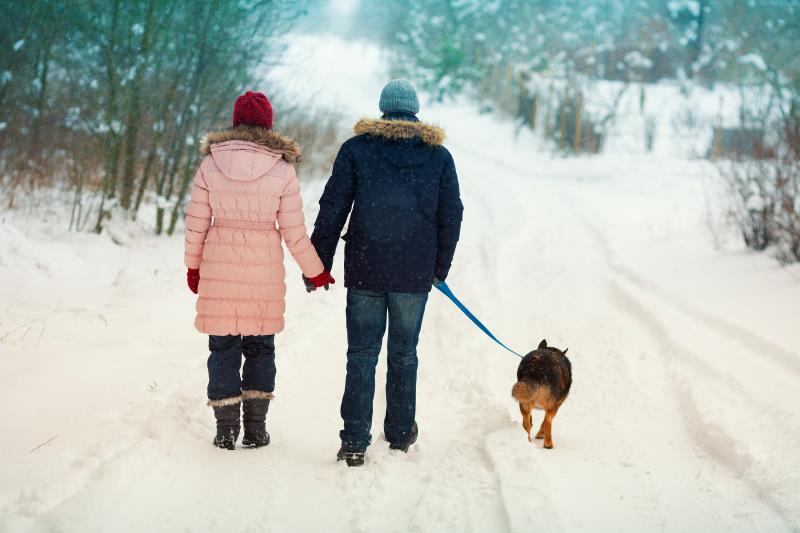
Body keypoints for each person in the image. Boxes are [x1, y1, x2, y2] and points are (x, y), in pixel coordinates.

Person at [309, 79, 464, 466]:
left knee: (361, 355)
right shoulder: (438, 156)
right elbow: (452, 215)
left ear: (383, 108)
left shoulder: (357, 149)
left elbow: (333, 206)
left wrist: (318, 262)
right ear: (415, 110)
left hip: (366, 267)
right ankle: (399, 433)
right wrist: (439, 267)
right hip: (414, 273)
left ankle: (354, 440)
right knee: (404, 355)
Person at [184, 91, 335, 450]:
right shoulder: (282, 169)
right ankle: (255, 428)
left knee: (222, 347)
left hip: (220, 264)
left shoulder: (210, 164)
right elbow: (294, 232)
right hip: (263, 270)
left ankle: (225, 430)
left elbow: (196, 224)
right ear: (268, 124)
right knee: (260, 347)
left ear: (235, 121)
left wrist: (193, 266)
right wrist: (315, 270)